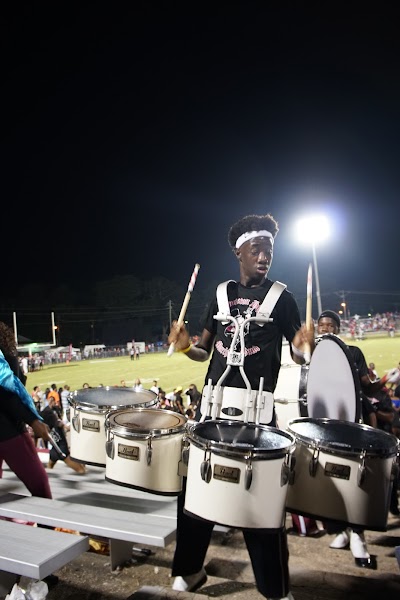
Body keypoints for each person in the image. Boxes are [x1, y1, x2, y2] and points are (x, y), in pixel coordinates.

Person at [167, 213, 311, 600]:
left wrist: (302, 344)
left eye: (269, 250)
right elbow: (202, 351)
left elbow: (299, 356)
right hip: (212, 409)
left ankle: (274, 589)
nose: (265, 256)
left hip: (257, 413)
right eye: (257, 249)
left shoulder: (283, 298)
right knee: (195, 492)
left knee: (260, 501)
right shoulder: (219, 294)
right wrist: (184, 346)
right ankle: (189, 570)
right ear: (239, 252)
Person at [309, 310, 397, 569]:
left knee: (351, 478)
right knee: (326, 478)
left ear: (338, 329)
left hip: (350, 421)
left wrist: (383, 380)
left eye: (330, 326)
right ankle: (338, 530)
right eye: (321, 326)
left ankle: (358, 535)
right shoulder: (310, 352)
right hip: (321, 425)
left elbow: (366, 387)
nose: (325, 329)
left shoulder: (354, 352)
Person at [0, 321, 59, 588]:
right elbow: (8, 392)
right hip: (9, 430)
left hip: (10, 427)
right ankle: (43, 561)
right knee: (41, 491)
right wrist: (33, 420)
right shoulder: (5, 349)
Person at [40, 396, 86, 474]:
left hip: (54, 451)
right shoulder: (57, 424)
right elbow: (64, 426)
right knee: (81, 471)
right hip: (62, 452)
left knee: (49, 470)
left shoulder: (48, 429)